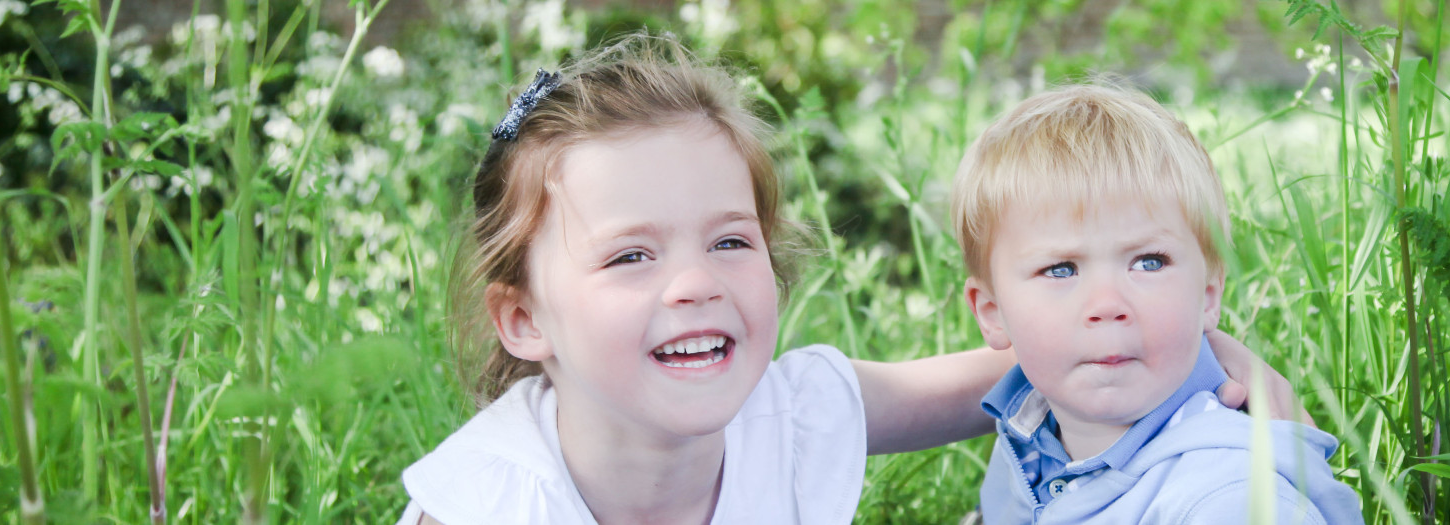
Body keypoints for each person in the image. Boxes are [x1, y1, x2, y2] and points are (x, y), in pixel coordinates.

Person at [398, 36, 1303, 524]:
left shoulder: (785, 417)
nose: (693, 284)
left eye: (728, 242)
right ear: (522, 317)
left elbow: (1032, 354)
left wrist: (1228, 375)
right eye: (631, 255)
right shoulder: (492, 503)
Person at [953, 83, 1362, 523]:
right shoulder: (1031, 435)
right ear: (992, 313)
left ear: (1208, 294)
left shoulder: (1229, 498)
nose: (1107, 304)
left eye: (1148, 262)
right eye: (1061, 269)